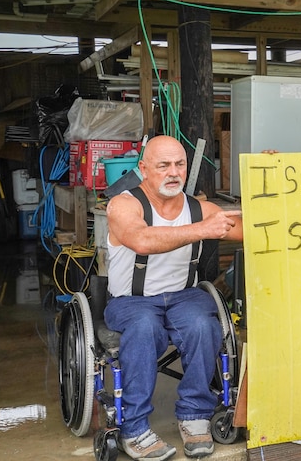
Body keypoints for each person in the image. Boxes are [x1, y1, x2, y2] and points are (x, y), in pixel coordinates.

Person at [105, 136, 243, 460]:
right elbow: (141, 239)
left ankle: (194, 416)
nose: (173, 172)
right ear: (143, 169)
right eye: (163, 165)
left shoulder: (199, 209)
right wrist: (203, 230)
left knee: (203, 325)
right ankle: (135, 429)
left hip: (184, 296)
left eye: (179, 164)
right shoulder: (124, 205)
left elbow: (249, 227)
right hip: (131, 300)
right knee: (143, 329)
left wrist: (273, 186)